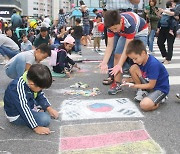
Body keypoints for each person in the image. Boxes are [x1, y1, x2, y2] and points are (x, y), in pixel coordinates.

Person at [100, 10, 148, 95]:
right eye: (112, 29)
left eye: (115, 28)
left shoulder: (130, 24)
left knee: (139, 56)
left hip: (140, 31)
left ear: (121, 21)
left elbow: (127, 48)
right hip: (124, 33)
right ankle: (117, 83)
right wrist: (104, 62)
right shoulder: (111, 25)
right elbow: (110, 45)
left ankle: (142, 84)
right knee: (117, 55)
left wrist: (119, 65)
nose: (114, 31)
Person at [4, 64, 59, 135]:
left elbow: (40, 95)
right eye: (40, 88)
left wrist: (49, 108)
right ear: (32, 84)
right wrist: (36, 127)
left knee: (39, 99)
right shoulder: (17, 87)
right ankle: (35, 112)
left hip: (27, 103)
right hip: (16, 115)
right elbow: (24, 109)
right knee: (45, 119)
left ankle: (35, 110)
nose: (41, 90)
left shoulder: (31, 79)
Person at [120, 40, 169, 111]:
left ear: (143, 53)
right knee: (133, 68)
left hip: (159, 89)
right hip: (149, 84)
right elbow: (144, 75)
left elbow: (151, 85)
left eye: (135, 58)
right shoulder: (141, 61)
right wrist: (129, 80)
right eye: (132, 59)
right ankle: (142, 91)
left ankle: (159, 100)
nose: (134, 61)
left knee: (144, 105)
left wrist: (134, 85)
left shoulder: (153, 64)